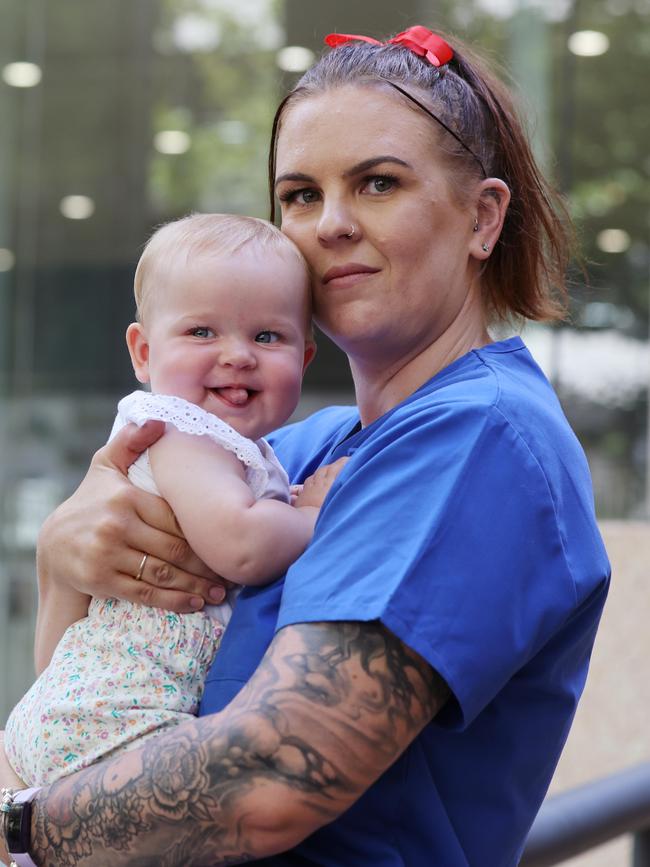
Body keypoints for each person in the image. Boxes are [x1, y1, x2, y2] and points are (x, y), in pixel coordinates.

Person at [0, 25, 610, 867]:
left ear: (483, 217)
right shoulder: (301, 442)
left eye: (378, 183)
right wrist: (63, 551)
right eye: (298, 194)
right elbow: (90, 624)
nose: (329, 225)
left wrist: (18, 827)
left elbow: (272, 776)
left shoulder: (478, 437)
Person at [2, 212, 345, 788]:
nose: (237, 355)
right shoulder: (183, 432)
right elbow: (241, 546)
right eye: (202, 332)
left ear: (305, 358)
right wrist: (312, 513)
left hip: (84, 711)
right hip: (126, 720)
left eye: (267, 336)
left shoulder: (244, 448)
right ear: (142, 352)